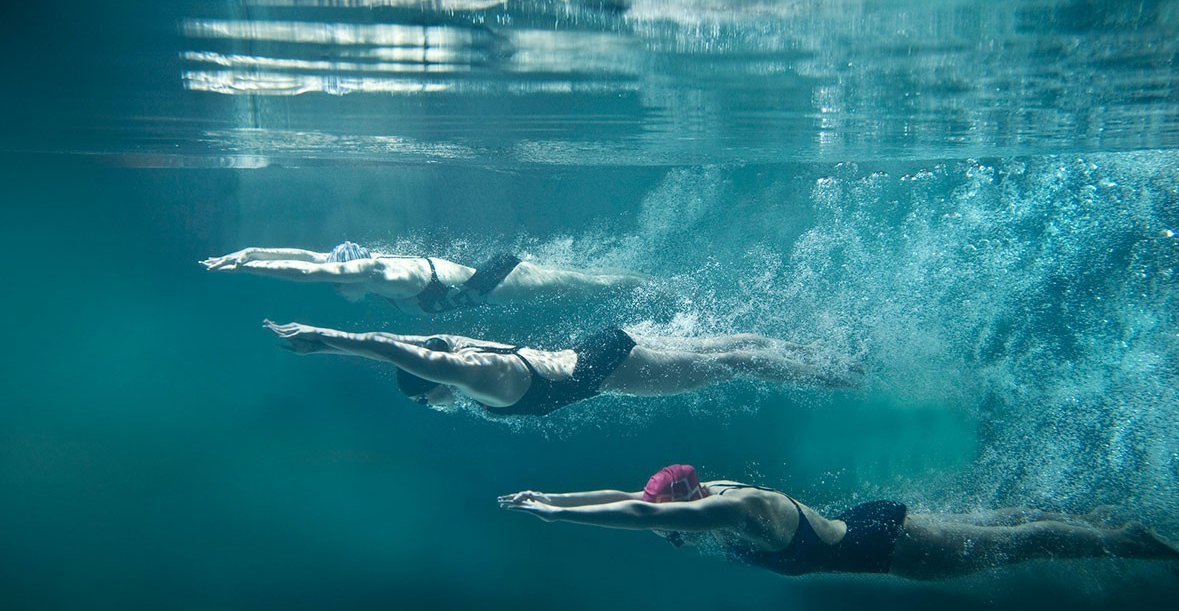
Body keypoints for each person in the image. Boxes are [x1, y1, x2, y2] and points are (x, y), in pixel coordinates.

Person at [498, 464, 1179, 582]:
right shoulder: (703, 491)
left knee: (1023, 547)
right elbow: (637, 499)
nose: (667, 527)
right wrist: (553, 502)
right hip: (866, 524)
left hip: (883, 544)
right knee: (1005, 525)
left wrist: (561, 522)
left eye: (668, 521)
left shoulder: (738, 509)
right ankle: (1102, 524)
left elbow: (637, 510)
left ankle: (1131, 542)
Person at [264, 321, 861, 416]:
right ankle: (823, 355)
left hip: (608, 369)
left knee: (737, 363)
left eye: (427, 398)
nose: (434, 406)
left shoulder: (473, 379)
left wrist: (327, 341)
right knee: (726, 347)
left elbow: (403, 350)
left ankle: (845, 375)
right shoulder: (473, 352)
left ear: (436, 383)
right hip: (597, 348)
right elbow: (423, 339)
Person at [202, 242, 643, 313]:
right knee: (580, 284)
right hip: (483, 288)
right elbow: (306, 257)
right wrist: (247, 252)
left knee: (586, 286)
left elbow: (305, 272)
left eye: (337, 282)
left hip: (500, 285)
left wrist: (251, 267)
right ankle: (640, 282)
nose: (337, 289)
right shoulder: (365, 270)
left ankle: (646, 284)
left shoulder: (376, 272)